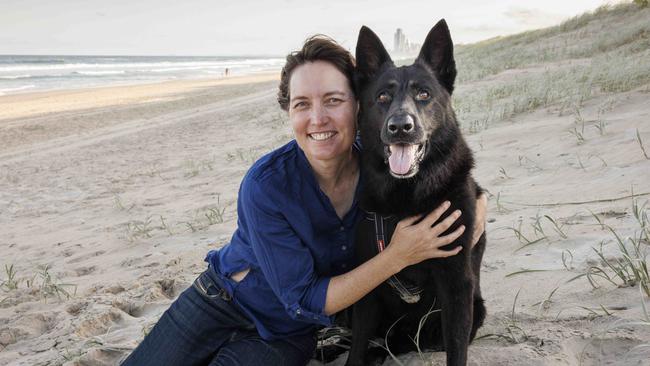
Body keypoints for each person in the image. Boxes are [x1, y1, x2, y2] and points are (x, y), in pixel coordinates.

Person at [121, 35, 487, 366]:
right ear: (289, 112)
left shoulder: (384, 165)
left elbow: (456, 182)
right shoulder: (266, 185)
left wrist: (477, 216)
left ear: (356, 105)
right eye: (301, 105)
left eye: (333, 100)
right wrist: (399, 255)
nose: (318, 118)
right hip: (220, 302)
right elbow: (308, 296)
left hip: (288, 332)